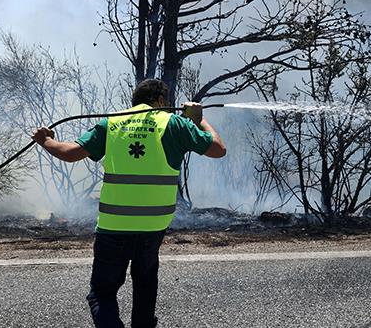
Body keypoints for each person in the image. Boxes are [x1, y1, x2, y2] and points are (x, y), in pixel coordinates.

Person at [31, 78, 226, 328]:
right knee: (145, 286)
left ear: (135, 101)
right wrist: (199, 119)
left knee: (102, 293)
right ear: (159, 101)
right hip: (153, 226)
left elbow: (69, 153)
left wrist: (45, 140)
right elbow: (218, 149)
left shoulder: (112, 124)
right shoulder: (174, 124)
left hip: (114, 226)